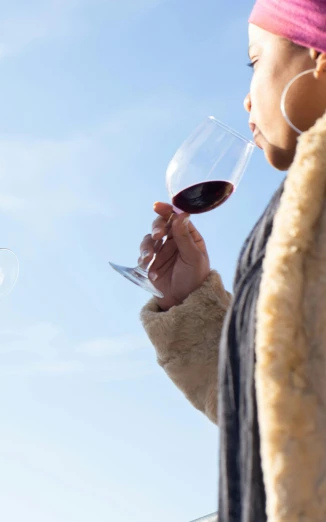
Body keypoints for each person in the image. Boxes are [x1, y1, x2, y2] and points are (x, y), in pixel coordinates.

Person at [138, 1, 326, 521]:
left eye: (255, 61)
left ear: (319, 59)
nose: (247, 97)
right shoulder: (294, 215)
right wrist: (192, 301)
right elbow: (280, 415)